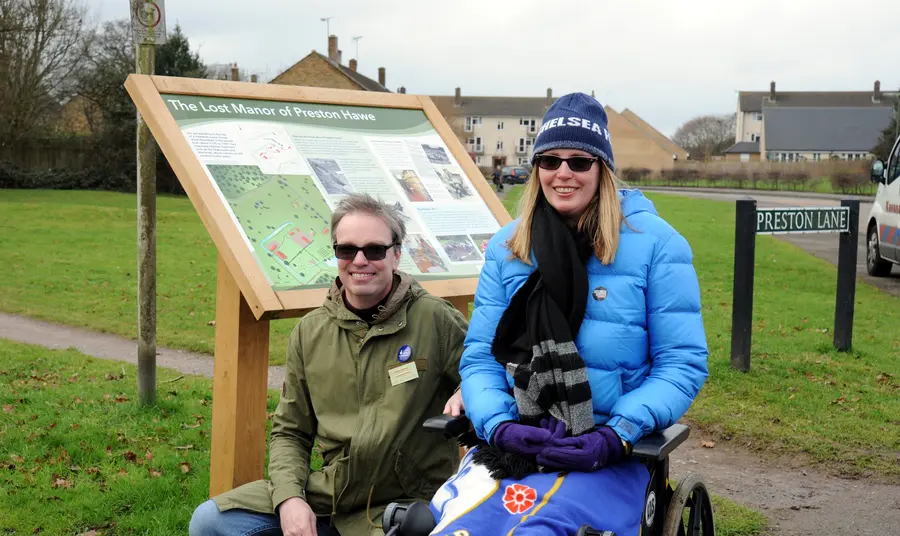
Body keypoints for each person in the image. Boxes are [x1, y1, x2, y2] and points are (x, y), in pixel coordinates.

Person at [429, 93, 709, 535]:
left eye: (579, 161)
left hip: (610, 456)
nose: (563, 173)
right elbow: (481, 358)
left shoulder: (658, 246)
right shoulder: (508, 248)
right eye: (550, 160)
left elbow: (682, 365)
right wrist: (501, 426)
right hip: (518, 448)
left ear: (603, 169)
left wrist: (615, 435)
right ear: (536, 167)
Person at [189, 193, 468, 536]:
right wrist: (290, 498)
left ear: (396, 254)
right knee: (211, 522)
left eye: (374, 250)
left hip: (404, 505)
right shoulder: (310, 332)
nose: (359, 260)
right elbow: (290, 431)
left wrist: (466, 390)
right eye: (347, 250)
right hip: (330, 494)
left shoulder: (435, 320)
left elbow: (486, 375)